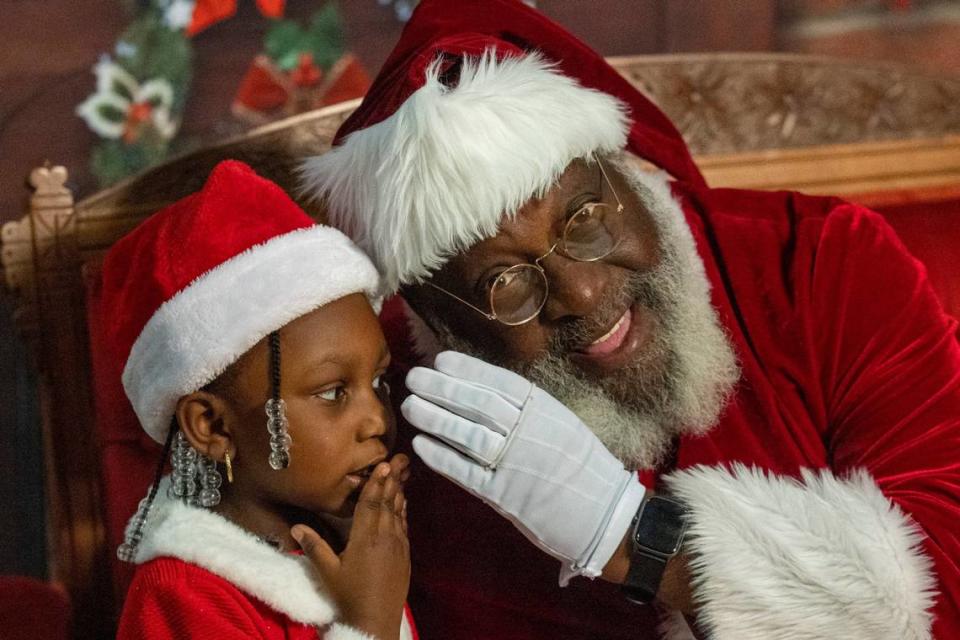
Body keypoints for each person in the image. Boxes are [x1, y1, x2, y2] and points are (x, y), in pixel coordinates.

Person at [299, 1, 960, 638]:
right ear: (435, 319)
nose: (583, 296)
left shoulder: (819, 262)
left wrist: (634, 539)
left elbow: (945, 580)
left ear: (625, 172)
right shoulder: (380, 414)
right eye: (505, 283)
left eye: (585, 218)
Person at [102, 160, 416, 639]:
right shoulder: (180, 595)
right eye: (333, 392)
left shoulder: (359, 547)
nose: (375, 419)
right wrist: (367, 623)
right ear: (212, 426)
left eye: (379, 382)